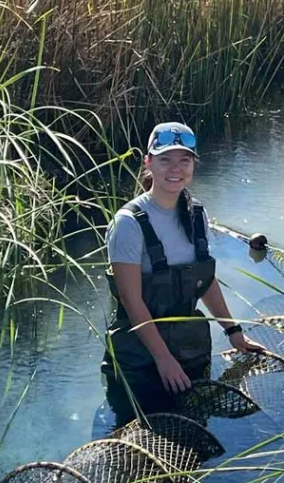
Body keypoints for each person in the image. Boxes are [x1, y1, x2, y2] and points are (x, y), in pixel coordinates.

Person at [101, 121, 263, 426]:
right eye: (165, 160)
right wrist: (163, 359)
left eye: (184, 160)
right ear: (149, 163)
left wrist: (234, 331)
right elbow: (131, 300)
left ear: (193, 164)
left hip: (188, 353)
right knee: (139, 439)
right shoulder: (128, 223)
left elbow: (205, 281)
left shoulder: (197, 214)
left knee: (193, 441)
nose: (175, 169)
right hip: (139, 361)